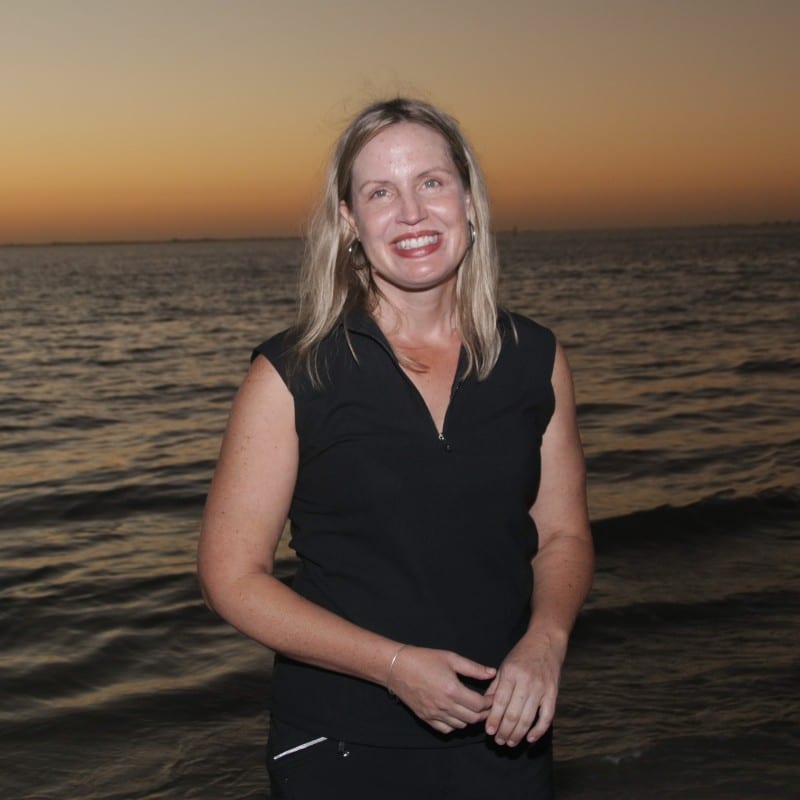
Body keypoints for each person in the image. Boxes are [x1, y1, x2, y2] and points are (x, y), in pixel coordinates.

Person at [197, 97, 593, 799]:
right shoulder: (293, 373)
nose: (411, 213)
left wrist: (546, 642)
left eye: (431, 182)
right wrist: (392, 666)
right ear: (350, 221)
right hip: (342, 743)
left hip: (505, 737)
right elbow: (231, 577)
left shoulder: (535, 357)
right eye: (380, 192)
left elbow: (562, 535)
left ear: (468, 200)